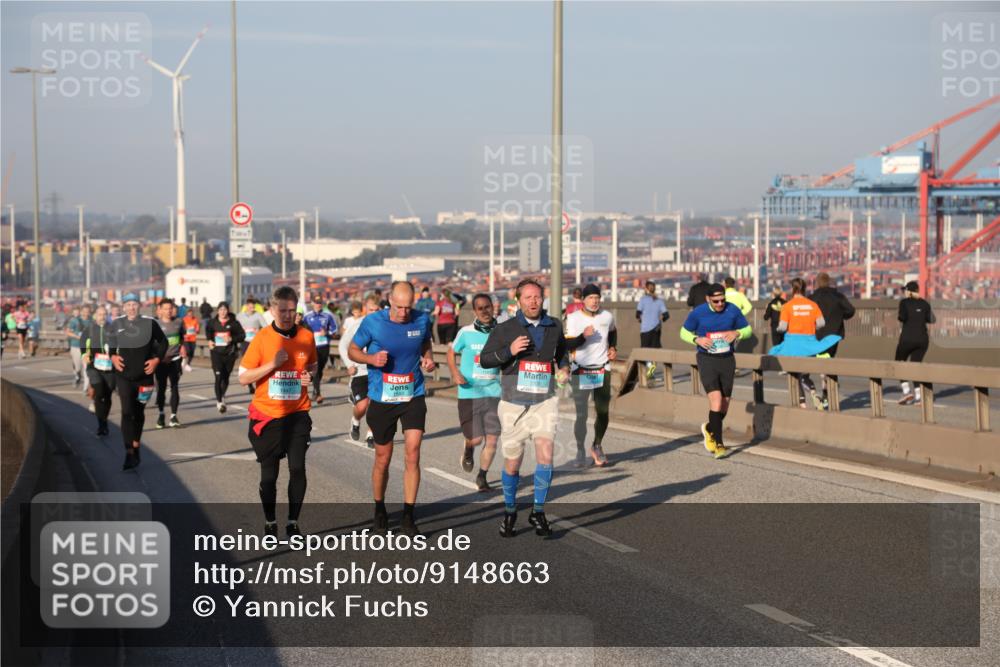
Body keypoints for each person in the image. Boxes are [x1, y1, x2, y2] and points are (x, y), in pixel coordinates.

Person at [480, 279, 570, 538]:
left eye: (537, 297)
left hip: (544, 401)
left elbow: (562, 353)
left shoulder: (554, 325)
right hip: (513, 404)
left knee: (546, 454)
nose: (533, 301)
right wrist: (509, 350)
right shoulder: (505, 329)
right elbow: (486, 360)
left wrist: (564, 368)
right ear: (517, 301)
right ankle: (510, 512)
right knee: (513, 463)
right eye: (528, 297)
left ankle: (538, 511)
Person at [349, 281, 436, 537]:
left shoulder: (421, 319)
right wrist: (370, 359)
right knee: (383, 459)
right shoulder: (373, 322)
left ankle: (409, 516)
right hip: (382, 398)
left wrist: (428, 359)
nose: (403, 313)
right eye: (399, 307)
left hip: (413, 394)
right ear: (390, 301)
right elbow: (353, 350)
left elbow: (425, 343)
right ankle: (380, 508)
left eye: (408, 307)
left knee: (413, 452)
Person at [238, 286, 317, 538]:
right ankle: (270, 521)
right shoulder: (262, 338)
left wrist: (309, 375)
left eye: (292, 311)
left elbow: (313, 364)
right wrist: (273, 364)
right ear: (272, 310)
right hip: (268, 415)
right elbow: (243, 377)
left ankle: (293, 523)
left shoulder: (306, 336)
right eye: (282, 310)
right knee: (269, 476)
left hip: (298, 413)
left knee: (297, 468)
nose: (287, 315)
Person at [680, 283, 751, 459]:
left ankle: (710, 428)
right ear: (708, 299)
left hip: (727, 359)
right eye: (716, 301)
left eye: (722, 300)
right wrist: (697, 339)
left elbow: (748, 329)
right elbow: (683, 332)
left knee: (725, 403)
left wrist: (737, 333)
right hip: (707, 359)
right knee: (716, 400)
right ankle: (719, 444)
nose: (720, 304)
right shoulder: (698, 312)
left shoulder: (732, 309)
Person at [447, 293, 502, 492]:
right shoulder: (466, 332)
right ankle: (469, 449)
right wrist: (454, 372)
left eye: (488, 307)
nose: (486, 311)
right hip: (469, 392)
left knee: (493, 439)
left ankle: (482, 476)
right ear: (475, 311)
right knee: (476, 439)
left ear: (493, 307)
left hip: (494, 392)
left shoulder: (500, 332)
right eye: (481, 308)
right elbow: (451, 352)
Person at [109, 293, 167, 470]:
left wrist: (156, 359)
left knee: (139, 412)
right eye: (128, 305)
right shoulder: (117, 324)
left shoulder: (150, 324)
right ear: (123, 307)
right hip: (123, 375)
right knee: (126, 412)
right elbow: (111, 344)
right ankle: (129, 452)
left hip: (145, 377)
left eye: (134, 304)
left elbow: (163, 342)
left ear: (139, 306)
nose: (131, 308)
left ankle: (136, 444)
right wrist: (112, 356)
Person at [769, 278, 841, 410]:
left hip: (793, 345)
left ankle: (803, 403)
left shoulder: (787, 306)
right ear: (805, 289)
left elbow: (783, 327)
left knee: (795, 375)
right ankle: (815, 393)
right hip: (810, 344)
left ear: (792, 289)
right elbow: (821, 323)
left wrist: (779, 329)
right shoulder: (813, 305)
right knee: (805, 373)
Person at [566, 284, 617, 467]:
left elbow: (612, 332)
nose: (594, 301)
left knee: (603, 412)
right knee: (582, 414)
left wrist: (612, 347)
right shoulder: (573, 318)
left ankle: (597, 445)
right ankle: (580, 449)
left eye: (597, 298)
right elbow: (567, 344)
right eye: (590, 298)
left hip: (603, 369)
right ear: (583, 300)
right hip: (581, 370)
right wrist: (582, 337)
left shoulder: (607, 316)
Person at [811, 272, 856, 408]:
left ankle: (827, 393)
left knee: (822, 364)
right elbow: (851, 310)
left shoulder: (813, 298)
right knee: (828, 360)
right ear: (829, 282)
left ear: (817, 283)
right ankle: (829, 388)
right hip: (835, 335)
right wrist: (840, 317)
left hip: (819, 336)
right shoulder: (838, 296)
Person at [339, 296, 380, 447]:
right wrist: (349, 364)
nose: (374, 313)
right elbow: (343, 345)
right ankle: (355, 421)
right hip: (359, 372)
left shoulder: (384, 324)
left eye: (377, 310)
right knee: (362, 406)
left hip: (376, 371)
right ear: (365, 309)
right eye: (371, 310)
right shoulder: (357, 325)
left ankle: (371, 435)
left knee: (374, 405)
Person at [896, 281, 935, 405]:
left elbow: (902, 317)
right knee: (916, 366)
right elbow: (932, 319)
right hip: (923, 340)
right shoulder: (925, 304)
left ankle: (907, 391)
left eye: (905, 290)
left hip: (907, 339)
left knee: (899, 362)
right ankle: (919, 397)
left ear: (908, 291)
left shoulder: (904, 302)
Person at [206, 302, 246, 413]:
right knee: (218, 377)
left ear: (228, 310)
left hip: (229, 354)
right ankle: (219, 402)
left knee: (226, 377)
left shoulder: (234, 323)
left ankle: (222, 395)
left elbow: (242, 336)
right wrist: (209, 340)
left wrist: (231, 339)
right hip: (216, 354)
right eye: (220, 310)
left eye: (225, 310)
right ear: (217, 311)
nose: (222, 312)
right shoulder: (212, 322)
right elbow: (208, 331)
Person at [82, 305, 115, 435]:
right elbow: (83, 343)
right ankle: (101, 424)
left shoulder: (112, 329)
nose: (102, 317)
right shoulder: (90, 328)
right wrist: (84, 354)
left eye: (104, 314)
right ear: (95, 315)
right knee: (100, 392)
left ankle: (104, 420)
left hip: (110, 367)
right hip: (94, 366)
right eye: (100, 314)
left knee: (107, 396)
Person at [154, 299, 186, 429]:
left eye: (170, 308)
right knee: (161, 388)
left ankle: (173, 416)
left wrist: (182, 346)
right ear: (160, 310)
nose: (168, 311)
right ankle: (161, 414)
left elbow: (181, 337)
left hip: (175, 359)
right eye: (165, 309)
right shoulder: (155, 324)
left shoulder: (178, 322)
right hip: (161, 361)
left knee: (174, 386)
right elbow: (151, 343)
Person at [303, 296, 339, 404]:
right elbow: (302, 330)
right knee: (317, 368)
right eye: (316, 302)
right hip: (312, 346)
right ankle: (318, 393)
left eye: (320, 303)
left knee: (320, 369)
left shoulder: (328, 315)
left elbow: (334, 329)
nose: (318, 304)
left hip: (324, 345)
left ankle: (315, 390)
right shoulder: (307, 316)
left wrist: (327, 333)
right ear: (312, 303)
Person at [636, 280, 669, 380]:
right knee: (654, 352)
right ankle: (651, 372)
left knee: (645, 352)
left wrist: (641, 319)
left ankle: (648, 370)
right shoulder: (659, 301)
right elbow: (666, 315)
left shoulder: (642, 300)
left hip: (645, 329)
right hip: (656, 329)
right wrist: (660, 319)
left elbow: (637, 314)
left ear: (646, 289)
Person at [237, 298, 268, 394]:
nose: (252, 308)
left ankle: (256, 380)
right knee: (247, 362)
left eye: (253, 306)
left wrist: (258, 331)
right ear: (246, 306)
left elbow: (266, 328)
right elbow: (235, 328)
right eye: (250, 306)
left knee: (257, 363)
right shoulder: (239, 316)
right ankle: (250, 384)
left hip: (255, 342)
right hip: (244, 341)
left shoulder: (258, 315)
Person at [66, 305, 91, 389]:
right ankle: (77, 375)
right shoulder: (75, 321)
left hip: (87, 347)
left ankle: (85, 388)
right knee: (78, 367)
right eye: (84, 311)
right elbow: (68, 332)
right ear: (81, 312)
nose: (86, 313)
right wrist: (78, 337)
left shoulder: (92, 321)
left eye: (87, 311)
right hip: (76, 346)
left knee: (87, 367)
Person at [181, 307, 200, 373]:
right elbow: (181, 328)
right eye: (189, 314)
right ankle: (184, 361)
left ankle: (187, 364)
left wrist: (197, 330)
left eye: (191, 313)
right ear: (187, 314)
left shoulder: (195, 319)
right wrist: (184, 333)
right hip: (186, 339)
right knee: (188, 351)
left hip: (193, 338)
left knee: (192, 353)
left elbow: (197, 328)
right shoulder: (184, 320)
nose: (190, 315)